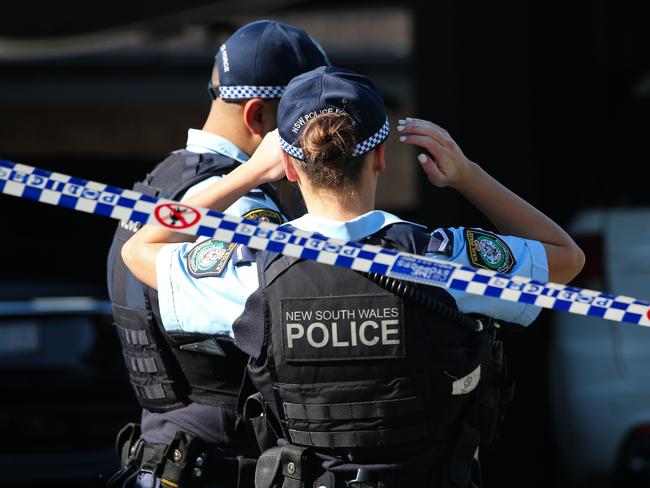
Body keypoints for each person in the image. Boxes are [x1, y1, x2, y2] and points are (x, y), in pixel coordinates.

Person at [122, 66, 585, 487]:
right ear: (381, 156)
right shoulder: (443, 260)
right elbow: (567, 257)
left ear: (287, 165)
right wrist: (468, 175)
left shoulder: (252, 272)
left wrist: (245, 175)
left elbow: (140, 247)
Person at [105, 20, 329, 488]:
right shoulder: (241, 206)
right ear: (259, 118)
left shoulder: (160, 183)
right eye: (309, 121)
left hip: (159, 459)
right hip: (223, 466)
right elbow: (291, 333)